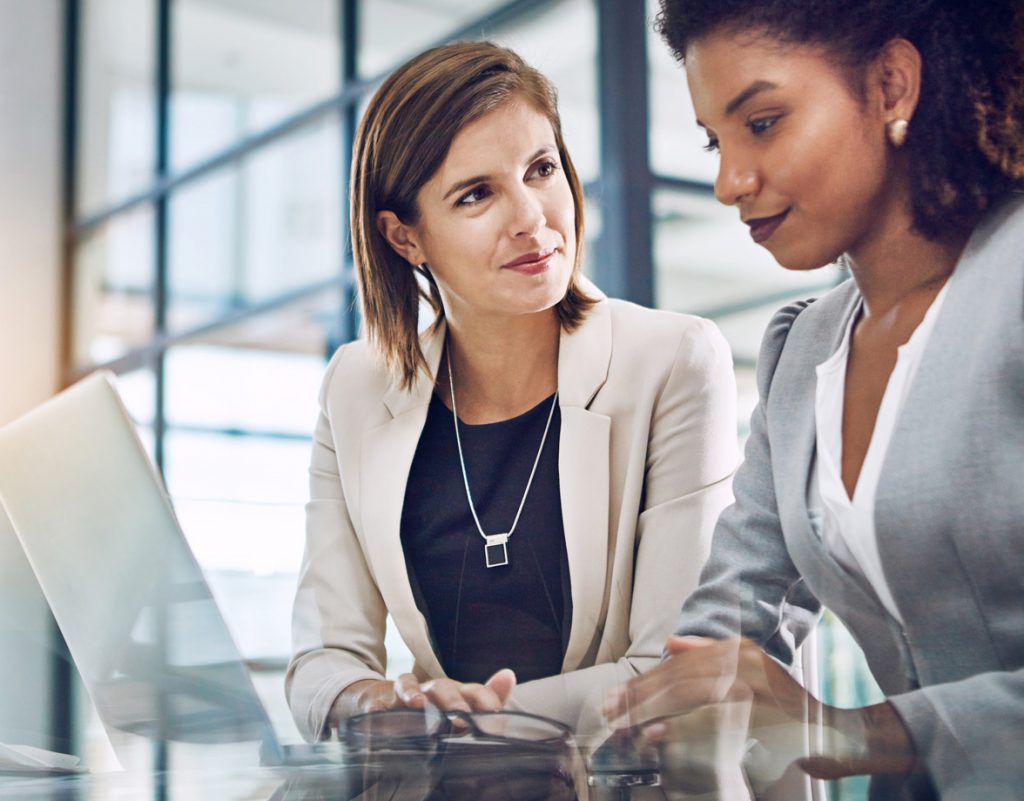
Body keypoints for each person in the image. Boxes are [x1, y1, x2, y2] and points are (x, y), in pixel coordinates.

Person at [604, 1, 1024, 799]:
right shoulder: (803, 350)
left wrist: (855, 732)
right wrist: (628, 725)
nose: (731, 181)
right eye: (713, 141)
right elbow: (723, 619)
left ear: (892, 86)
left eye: (762, 122)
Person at [285, 41, 738, 743]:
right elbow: (322, 661)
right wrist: (379, 702)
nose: (531, 216)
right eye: (476, 194)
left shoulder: (672, 360)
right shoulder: (356, 387)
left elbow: (665, 674)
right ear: (405, 238)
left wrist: (467, 723)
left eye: (541, 169)